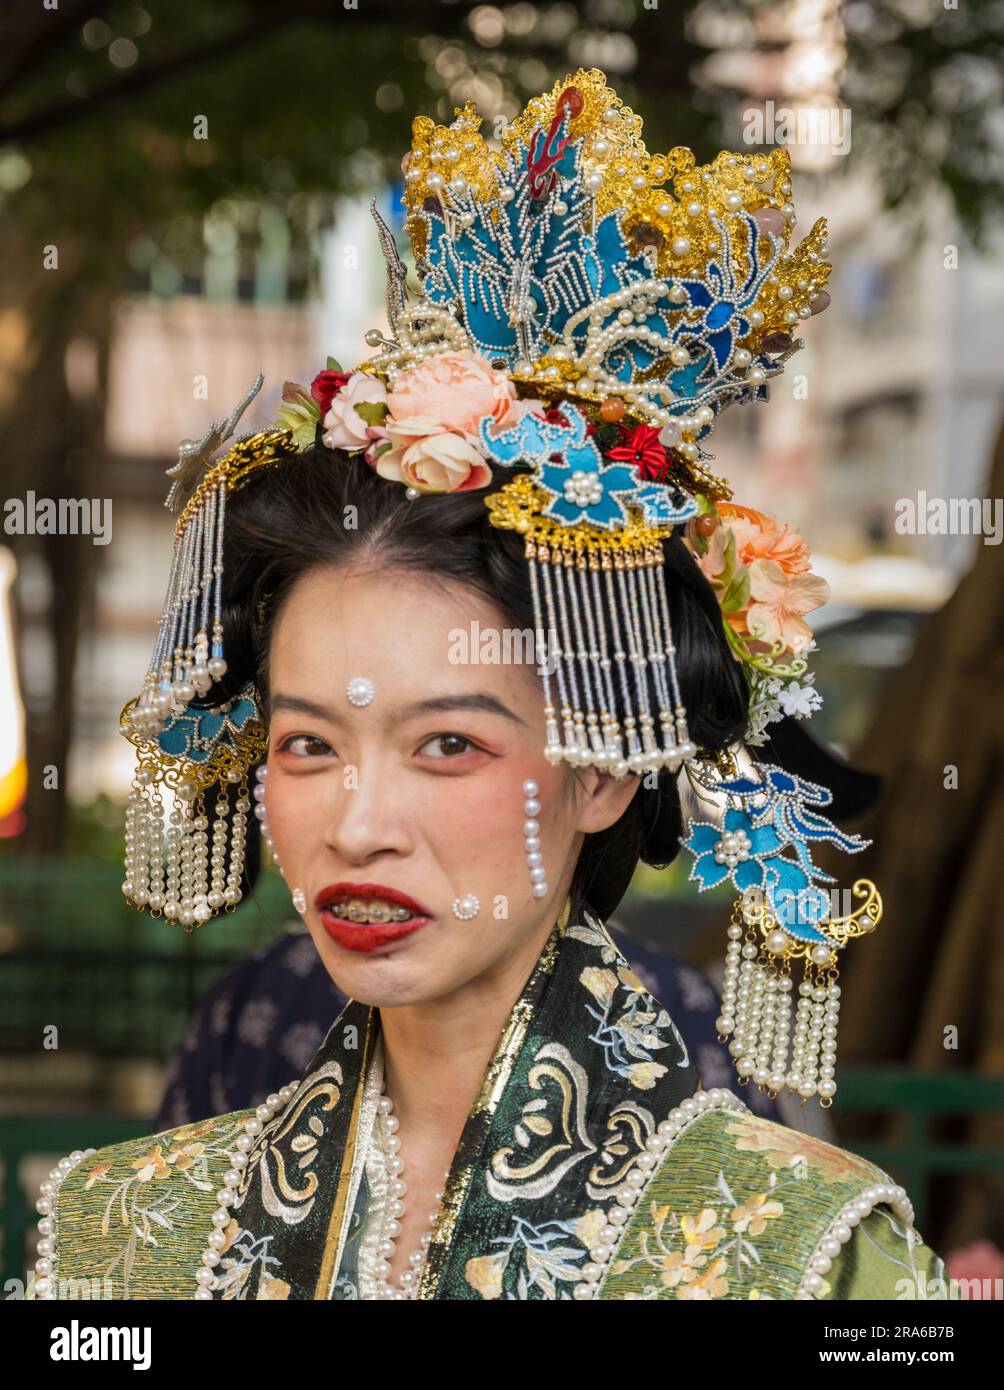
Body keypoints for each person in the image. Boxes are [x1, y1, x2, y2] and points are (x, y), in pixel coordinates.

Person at [30, 67, 954, 1302]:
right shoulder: (124, 1238)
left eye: (447, 744)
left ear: (605, 770)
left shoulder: (806, 1259)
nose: (358, 823)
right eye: (307, 745)